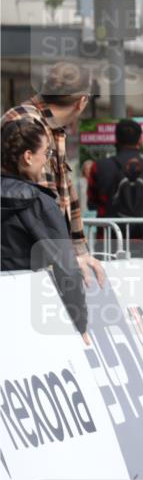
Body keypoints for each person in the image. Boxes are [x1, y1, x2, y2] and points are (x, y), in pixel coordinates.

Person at [2, 62, 105, 288]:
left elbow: (65, 191)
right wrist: (65, 255)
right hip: (21, 257)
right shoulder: (28, 124)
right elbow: (36, 203)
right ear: (82, 101)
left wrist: (79, 251)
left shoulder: (50, 126)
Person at [1, 120, 89, 340]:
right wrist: (80, 324)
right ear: (28, 156)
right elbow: (66, 267)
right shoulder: (39, 203)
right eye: (46, 152)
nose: (47, 161)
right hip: (23, 313)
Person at [87, 119, 143, 257]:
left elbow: (91, 203)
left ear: (116, 139)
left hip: (107, 242)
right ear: (141, 141)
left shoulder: (99, 168)